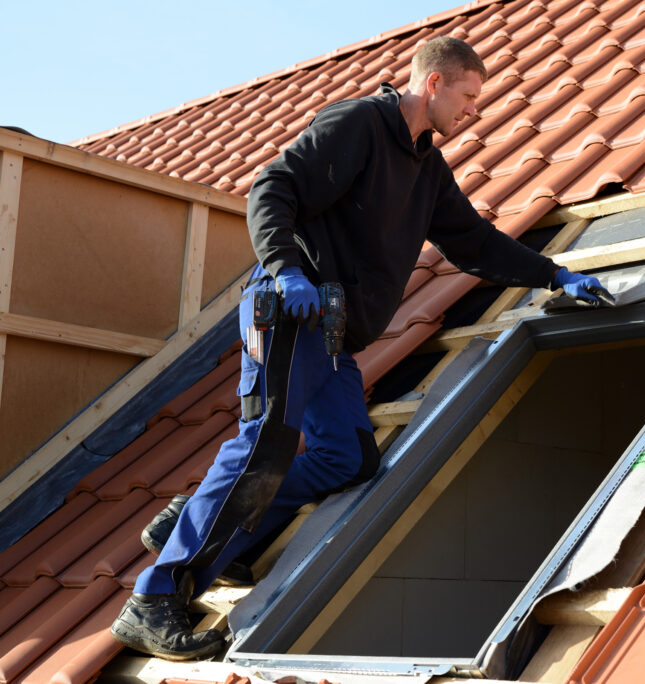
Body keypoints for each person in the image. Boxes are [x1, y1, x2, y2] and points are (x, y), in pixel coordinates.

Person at [109, 36, 612, 661]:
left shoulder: (427, 169)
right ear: (433, 84)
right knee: (265, 443)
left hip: (334, 335)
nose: (475, 111)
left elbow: (475, 242)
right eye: (470, 96)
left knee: (348, 459)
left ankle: (208, 527)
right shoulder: (360, 124)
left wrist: (554, 274)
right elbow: (272, 188)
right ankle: (153, 601)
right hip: (293, 309)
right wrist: (287, 268)